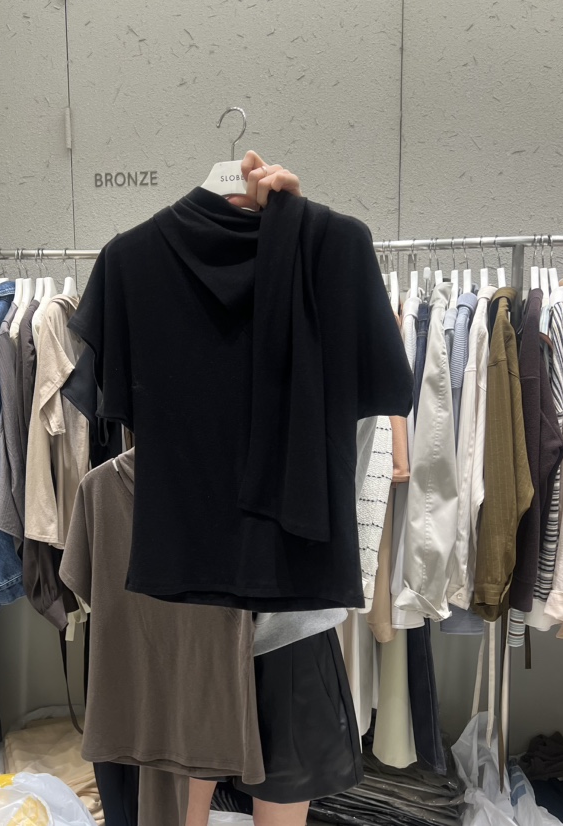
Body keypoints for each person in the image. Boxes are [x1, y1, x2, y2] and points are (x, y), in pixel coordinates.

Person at [184, 151, 355, 826]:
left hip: (289, 603)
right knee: (184, 781)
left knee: (278, 782)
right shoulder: (168, 291)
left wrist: (298, 228)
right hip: (195, 601)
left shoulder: (316, 292)